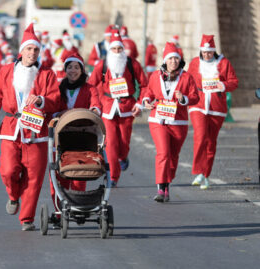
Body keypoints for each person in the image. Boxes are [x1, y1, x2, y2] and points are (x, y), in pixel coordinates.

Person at [0, 23, 60, 231]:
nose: (32, 53)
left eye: (36, 49)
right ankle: (13, 195)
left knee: (34, 177)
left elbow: (55, 100)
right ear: (22, 50)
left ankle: (27, 218)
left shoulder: (47, 74)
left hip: (37, 131)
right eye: (29, 49)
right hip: (11, 128)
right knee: (8, 170)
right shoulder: (7, 70)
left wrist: (41, 101)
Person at [133, 42, 198, 202]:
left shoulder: (187, 77)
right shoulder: (155, 76)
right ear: (165, 60)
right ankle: (161, 188)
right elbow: (149, 92)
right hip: (158, 120)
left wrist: (184, 98)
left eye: (176, 58)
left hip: (178, 122)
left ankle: (167, 181)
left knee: (173, 156)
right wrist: (146, 101)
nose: (174, 61)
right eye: (170, 59)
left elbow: (195, 97)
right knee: (163, 153)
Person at [89, 30, 147, 187]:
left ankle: (123, 157)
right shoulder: (102, 64)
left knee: (124, 142)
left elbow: (145, 85)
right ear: (109, 50)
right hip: (108, 107)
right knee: (110, 143)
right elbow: (91, 85)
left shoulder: (132, 64)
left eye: (119, 49)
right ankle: (113, 177)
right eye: (114, 49)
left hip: (127, 107)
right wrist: (95, 103)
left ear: (123, 49)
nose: (117, 52)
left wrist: (140, 103)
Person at [49, 52, 101, 226]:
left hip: (83, 134)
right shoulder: (58, 88)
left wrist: (93, 111)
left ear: (82, 70)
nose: (73, 71)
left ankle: (79, 207)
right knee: (59, 173)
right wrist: (59, 114)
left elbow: (96, 105)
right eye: (69, 67)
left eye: (76, 67)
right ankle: (58, 211)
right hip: (62, 136)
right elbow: (52, 108)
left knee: (80, 170)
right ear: (65, 69)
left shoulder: (90, 88)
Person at [188, 34, 238, 189]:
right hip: (198, 104)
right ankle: (198, 171)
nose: (206, 55)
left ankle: (206, 174)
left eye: (209, 52)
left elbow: (234, 82)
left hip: (217, 107)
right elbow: (187, 81)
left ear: (214, 51)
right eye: (204, 52)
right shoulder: (195, 63)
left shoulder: (223, 63)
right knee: (200, 136)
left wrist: (222, 85)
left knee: (211, 142)